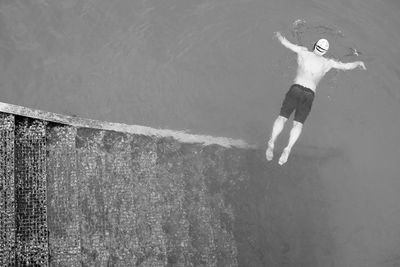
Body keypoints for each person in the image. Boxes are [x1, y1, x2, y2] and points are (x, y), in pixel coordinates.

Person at [266, 31, 366, 165]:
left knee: (282, 118)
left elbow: (285, 43)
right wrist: (358, 62)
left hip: (296, 88)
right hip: (309, 94)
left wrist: (278, 35)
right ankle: (288, 148)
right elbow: (346, 66)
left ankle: (272, 141)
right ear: (325, 51)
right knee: (298, 124)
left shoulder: (303, 52)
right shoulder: (327, 63)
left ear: (314, 46)